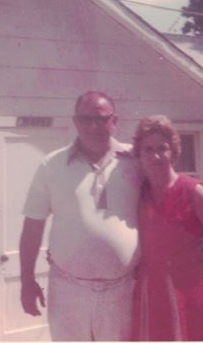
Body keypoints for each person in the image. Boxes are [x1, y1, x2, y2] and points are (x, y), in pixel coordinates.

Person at [19, 91, 141, 341]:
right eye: (86, 119)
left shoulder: (136, 160)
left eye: (101, 119)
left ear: (114, 121)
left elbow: (168, 195)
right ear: (75, 122)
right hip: (68, 291)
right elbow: (32, 227)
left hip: (124, 291)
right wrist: (27, 281)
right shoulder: (51, 165)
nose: (93, 126)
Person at [132, 115, 203, 341]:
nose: (156, 156)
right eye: (148, 149)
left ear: (173, 151)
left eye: (162, 148)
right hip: (152, 291)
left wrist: (202, 266)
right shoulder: (140, 193)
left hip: (192, 291)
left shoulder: (192, 191)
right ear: (139, 154)